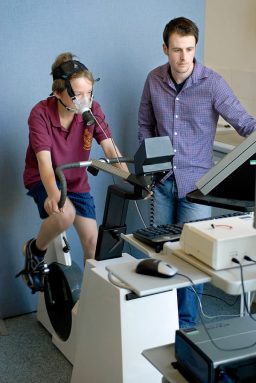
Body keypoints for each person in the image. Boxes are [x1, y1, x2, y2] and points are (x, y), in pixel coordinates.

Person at [138, 17, 256, 328]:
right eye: (176, 50)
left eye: (189, 49)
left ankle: (186, 327)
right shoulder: (153, 80)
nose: (183, 58)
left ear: (195, 48)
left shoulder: (212, 84)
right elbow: (144, 125)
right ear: (165, 48)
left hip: (197, 187)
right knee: (162, 254)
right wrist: (148, 170)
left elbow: (246, 124)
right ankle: (160, 323)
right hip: (162, 181)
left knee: (192, 258)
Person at [19, 52, 128, 293]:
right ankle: (35, 250)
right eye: (78, 94)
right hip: (44, 178)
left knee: (93, 244)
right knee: (64, 214)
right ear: (58, 93)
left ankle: (90, 304)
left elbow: (110, 147)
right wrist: (53, 194)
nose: (85, 100)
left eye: (89, 93)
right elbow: (45, 164)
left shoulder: (92, 112)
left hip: (76, 181)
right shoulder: (40, 114)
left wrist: (130, 180)